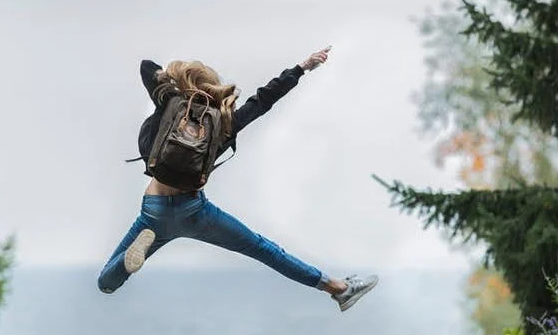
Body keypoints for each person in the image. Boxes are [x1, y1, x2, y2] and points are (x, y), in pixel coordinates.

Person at [97, 46, 379, 312]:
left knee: (106, 284)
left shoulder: (170, 103)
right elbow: (264, 100)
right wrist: (302, 67)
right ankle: (339, 289)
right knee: (264, 250)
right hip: (194, 212)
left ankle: (126, 263)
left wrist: (174, 82)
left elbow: (147, 66)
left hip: (154, 210)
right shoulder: (223, 122)